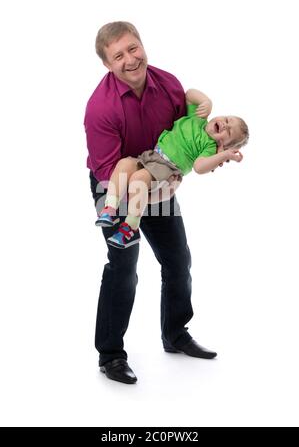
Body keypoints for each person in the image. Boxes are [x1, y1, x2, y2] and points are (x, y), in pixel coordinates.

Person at [85, 21, 221, 384]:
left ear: (142, 45)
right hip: (114, 186)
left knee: (178, 259)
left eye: (134, 48)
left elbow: (183, 140)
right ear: (107, 64)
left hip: (157, 177)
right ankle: (111, 355)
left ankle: (175, 334)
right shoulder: (101, 108)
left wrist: (180, 175)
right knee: (124, 264)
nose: (130, 59)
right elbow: (105, 169)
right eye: (119, 55)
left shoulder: (169, 85)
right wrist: (145, 193)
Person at [96, 88, 249, 249]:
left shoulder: (209, 146)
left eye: (229, 131)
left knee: (138, 179)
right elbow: (189, 95)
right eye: (226, 119)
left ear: (222, 145)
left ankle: (131, 227)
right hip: (152, 156)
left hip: (168, 169)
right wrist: (206, 102)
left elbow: (199, 167)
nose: (224, 124)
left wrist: (222, 155)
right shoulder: (197, 119)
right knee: (124, 164)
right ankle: (110, 208)